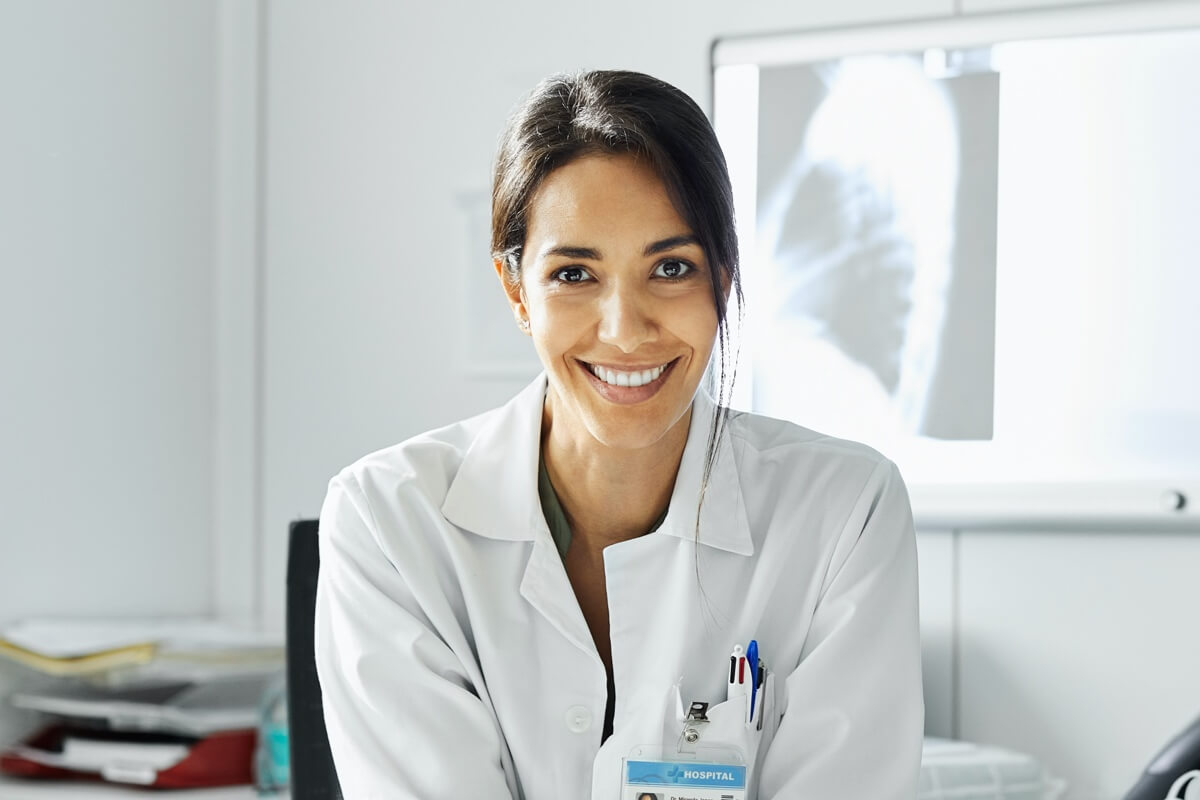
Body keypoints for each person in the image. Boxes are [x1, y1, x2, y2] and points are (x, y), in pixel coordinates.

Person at [314, 70, 923, 799]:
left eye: (670, 268)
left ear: (722, 281)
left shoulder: (844, 512)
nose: (625, 331)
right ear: (516, 293)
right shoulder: (388, 520)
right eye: (574, 274)